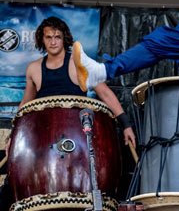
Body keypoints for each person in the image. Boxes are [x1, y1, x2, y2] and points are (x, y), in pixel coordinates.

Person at [15, 17, 135, 147]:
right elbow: (25, 105)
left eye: (57, 37)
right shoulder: (33, 68)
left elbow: (105, 93)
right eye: (48, 37)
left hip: (77, 137)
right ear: (42, 40)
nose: (53, 42)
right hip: (44, 136)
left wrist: (126, 126)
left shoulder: (79, 63)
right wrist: (14, 135)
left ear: (64, 39)